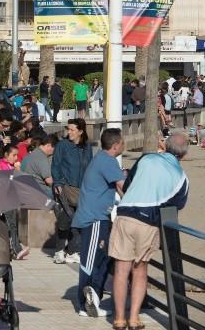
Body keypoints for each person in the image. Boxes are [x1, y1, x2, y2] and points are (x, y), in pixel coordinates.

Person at [110, 133, 190, 330]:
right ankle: (134, 318)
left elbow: (128, 184)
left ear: (165, 146)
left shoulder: (146, 159)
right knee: (140, 270)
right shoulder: (181, 177)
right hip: (148, 221)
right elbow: (176, 205)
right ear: (184, 154)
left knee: (121, 270)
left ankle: (119, 319)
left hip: (126, 214)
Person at [72, 129, 126, 318]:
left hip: (98, 217)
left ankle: (93, 299)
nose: (124, 145)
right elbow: (122, 186)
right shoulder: (108, 161)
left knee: (103, 259)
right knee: (91, 261)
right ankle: (84, 304)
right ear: (116, 145)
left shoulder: (101, 159)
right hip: (94, 219)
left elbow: (118, 188)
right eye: (122, 142)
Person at [51, 118, 93, 264]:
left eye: (72, 130)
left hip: (82, 189)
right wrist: (57, 183)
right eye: (68, 129)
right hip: (65, 187)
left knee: (77, 219)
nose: (69, 132)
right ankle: (60, 251)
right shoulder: (62, 145)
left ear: (80, 131)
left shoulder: (87, 147)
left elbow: (90, 167)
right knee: (68, 218)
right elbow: (55, 165)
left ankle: (71, 251)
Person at [0, 144, 30, 260]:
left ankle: (11, 249)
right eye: (14, 155)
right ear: (6, 155)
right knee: (11, 225)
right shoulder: (1, 165)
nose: (16, 158)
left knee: (10, 225)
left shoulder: (10, 166)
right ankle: (17, 250)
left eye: (17, 155)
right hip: (5, 200)